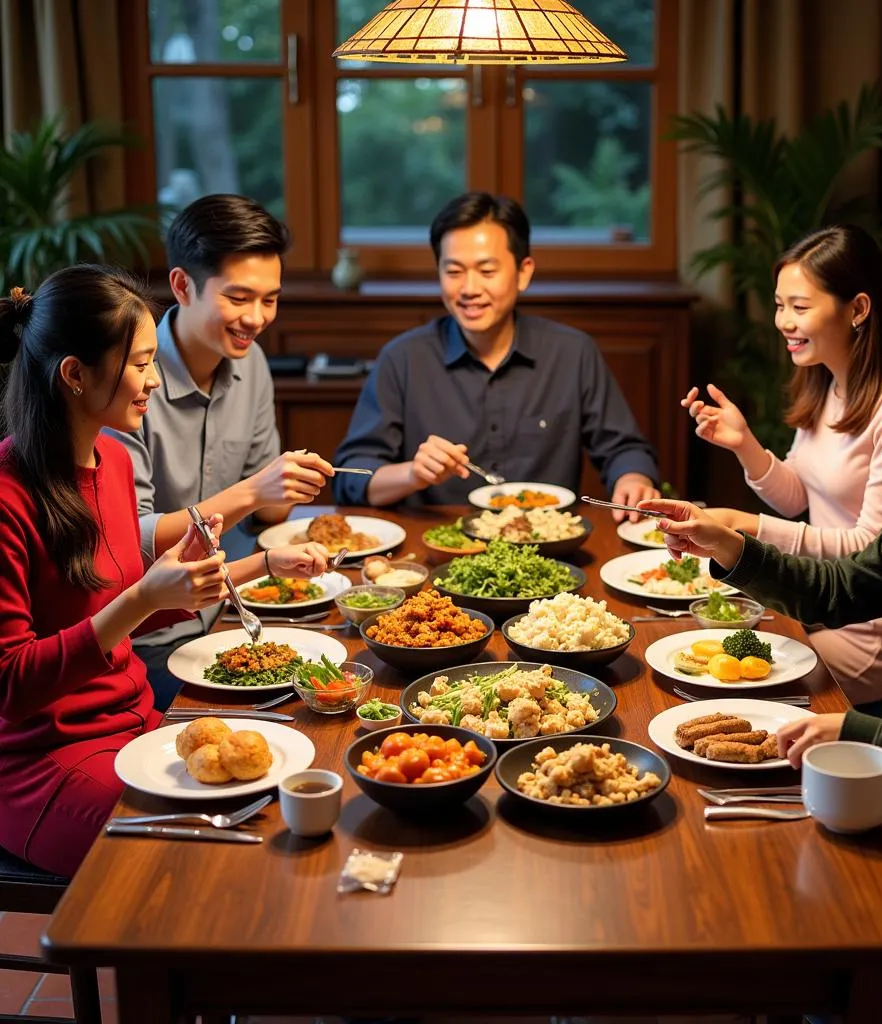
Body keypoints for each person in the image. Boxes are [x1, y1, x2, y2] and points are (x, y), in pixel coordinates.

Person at [644, 339, 882, 1024]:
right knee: (776, 889)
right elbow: (839, 588)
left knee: (835, 940)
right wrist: (727, 545)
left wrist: (860, 730)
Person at [0, 266, 329, 876]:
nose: (153, 380)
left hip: (138, 723)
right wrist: (143, 600)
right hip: (45, 764)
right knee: (201, 869)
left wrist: (260, 565)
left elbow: (130, 598)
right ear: (74, 374)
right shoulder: (8, 495)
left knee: (282, 805)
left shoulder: (113, 464)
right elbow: (12, 685)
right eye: (139, 364)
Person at [105, 194, 334, 709]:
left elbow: (271, 511)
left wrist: (289, 481)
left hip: (233, 611)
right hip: (144, 639)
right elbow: (132, 541)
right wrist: (255, 489)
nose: (255, 318)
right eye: (238, 297)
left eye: (270, 299)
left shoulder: (250, 364)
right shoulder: (130, 380)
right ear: (183, 285)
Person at [681, 225, 882, 706]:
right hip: (818, 602)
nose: (783, 321)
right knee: (696, 656)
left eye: (800, 307)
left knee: (722, 686)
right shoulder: (828, 384)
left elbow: (868, 551)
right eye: (779, 304)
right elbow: (798, 499)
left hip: (867, 628)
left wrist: (744, 525)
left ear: (858, 309)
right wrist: (744, 443)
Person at [332, 191, 660, 515]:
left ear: (524, 272)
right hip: (438, 546)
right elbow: (353, 475)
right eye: (454, 271)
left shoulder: (572, 353)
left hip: (548, 547)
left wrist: (633, 478)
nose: (470, 289)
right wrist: (412, 474)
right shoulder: (403, 359)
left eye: (487, 271)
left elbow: (624, 448)